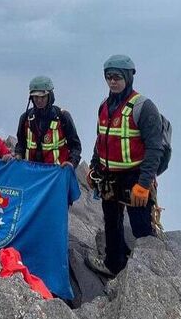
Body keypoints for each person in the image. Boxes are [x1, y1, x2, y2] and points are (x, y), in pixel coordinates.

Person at [88, 55, 164, 275]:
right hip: (109, 176)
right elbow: (101, 138)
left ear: (129, 77)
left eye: (118, 77)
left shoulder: (143, 107)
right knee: (112, 222)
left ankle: (150, 275)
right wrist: (94, 167)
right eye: (109, 77)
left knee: (141, 227)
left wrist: (144, 183)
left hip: (135, 176)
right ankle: (114, 265)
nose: (113, 81)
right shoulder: (104, 106)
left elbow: (154, 148)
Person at [15, 76, 82, 168]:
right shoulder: (25, 118)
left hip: (56, 175)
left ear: (50, 96)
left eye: (43, 97)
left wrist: (72, 162)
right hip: (31, 175)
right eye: (36, 97)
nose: (39, 100)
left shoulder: (63, 117)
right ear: (31, 97)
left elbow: (75, 146)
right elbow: (21, 144)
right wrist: (18, 154)